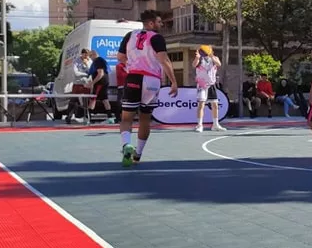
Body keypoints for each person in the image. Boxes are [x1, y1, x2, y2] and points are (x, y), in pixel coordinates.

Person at [117, 10, 178, 167]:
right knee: (145, 118)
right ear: (151, 23)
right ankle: (138, 155)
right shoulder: (157, 38)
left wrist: (130, 65)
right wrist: (173, 81)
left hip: (134, 77)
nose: (161, 24)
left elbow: (120, 57)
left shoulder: (130, 36)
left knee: (126, 118)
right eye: (159, 21)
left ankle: (126, 145)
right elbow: (164, 60)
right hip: (152, 80)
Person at [192, 45, 226, 133]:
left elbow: (219, 64)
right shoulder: (200, 59)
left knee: (215, 105)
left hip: (211, 84)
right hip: (202, 85)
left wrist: (211, 56)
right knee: (201, 105)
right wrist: (197, 58)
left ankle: (215, 124)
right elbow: (193, 65)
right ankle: (199, 125)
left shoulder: (215, 58)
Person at [87, 49, 114, 124]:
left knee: (93, 98)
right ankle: (110, 117)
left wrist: (92, 83)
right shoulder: (102, 60)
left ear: (93, 55)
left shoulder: (98, 60)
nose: (90, 58)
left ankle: (89, 117)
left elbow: (100, 73)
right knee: (104, 99)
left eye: (90, 56)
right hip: (104, 81)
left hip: (100, 82)